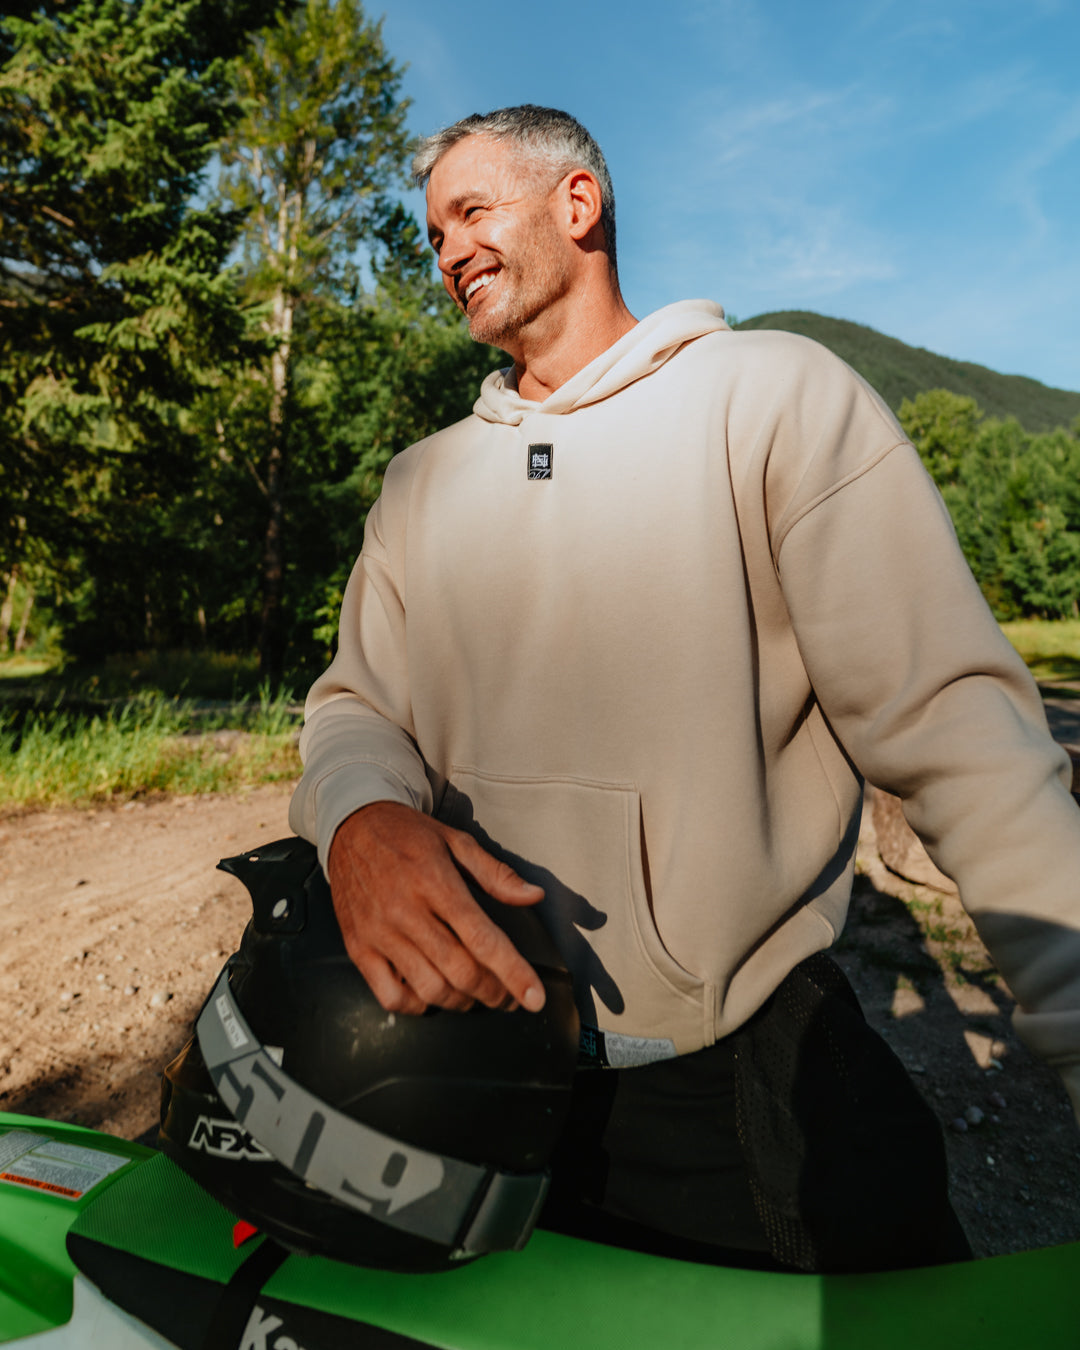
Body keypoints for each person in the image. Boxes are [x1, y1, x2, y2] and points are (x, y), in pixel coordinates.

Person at [289, 105, 1080, 1273]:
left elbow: (958, 736)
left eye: (471, 212)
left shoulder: (775, 398)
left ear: (578, 204)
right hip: (458, 1073)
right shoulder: (419, 485)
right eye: (432, 234)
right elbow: (358, 707)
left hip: (741, 1088)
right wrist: (357, 815)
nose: (446, 251)